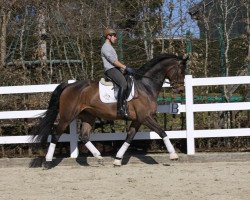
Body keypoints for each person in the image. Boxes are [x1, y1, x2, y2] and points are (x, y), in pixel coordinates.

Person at [101, 28, 133, 118]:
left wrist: (123, 70)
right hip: (110, 70)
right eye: (114, 36)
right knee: (123, 84)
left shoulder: (110, 47)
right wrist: (125, 67)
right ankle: (120, 109)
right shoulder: (105, 47)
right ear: (108, 36)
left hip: (115, 69)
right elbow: (114, 61)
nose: (116, 38)